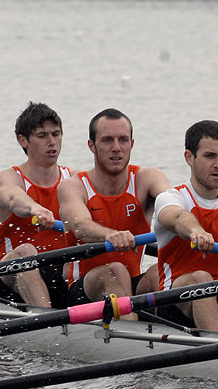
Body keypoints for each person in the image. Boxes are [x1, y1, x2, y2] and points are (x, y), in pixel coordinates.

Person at [59, 108, 170, 319]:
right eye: (108, 140)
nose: (117, 148)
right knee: (115, 270)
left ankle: (181, 335)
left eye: (123, 140)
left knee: (160, 271)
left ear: (132, 144)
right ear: (92, 146)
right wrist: (109, 235)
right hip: (85, 289)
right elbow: (81, 226)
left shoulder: (147, 178)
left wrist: (189, 225)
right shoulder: (73, 186)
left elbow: (173, 205)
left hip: (132, 282)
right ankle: (135, 336)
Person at [152, 120, 218, 333]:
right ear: (189, 158)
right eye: (210, 156)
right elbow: (177, 218)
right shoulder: (171, 198)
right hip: (175, 301)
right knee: (201, 278)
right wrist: (196, 232)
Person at [0, 102, 71, 308]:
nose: (52, 142)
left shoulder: (73, 180)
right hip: (12, 280)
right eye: (42, 136)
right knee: (27, 250)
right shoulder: (10, 178)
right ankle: (48, 323)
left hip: (61, 275)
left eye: (56, 134)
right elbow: (12, 197)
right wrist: (34, 209)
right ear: (23, 140)